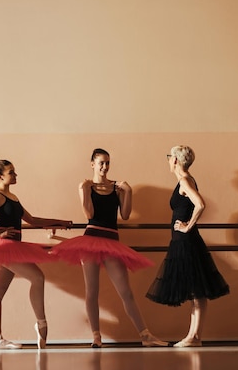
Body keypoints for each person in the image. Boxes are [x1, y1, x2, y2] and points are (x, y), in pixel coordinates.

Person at [50, 148, 168, 348]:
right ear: (92, 164)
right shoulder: (86, 186)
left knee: (126, 292)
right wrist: (84, 190)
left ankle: (145, 336)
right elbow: (89, 213)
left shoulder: (117, 188)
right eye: (101, 163)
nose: (105, 167)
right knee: (91, 291)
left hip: (112, 241)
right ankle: (96, 337)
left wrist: (129, 192)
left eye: (107, 163)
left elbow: (126, 215)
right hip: (91, 240)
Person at [0, 158, 72, 349]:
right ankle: (41, 323)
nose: (15, 175)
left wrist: (59, 222)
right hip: (5, 247)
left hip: (15, 246)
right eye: (11, 172)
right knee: (37, 277)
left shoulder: (13, 197)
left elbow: (31, 220)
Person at [146, 146, 230, 347]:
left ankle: (194, 336)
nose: (168, 161)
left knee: (197, 290)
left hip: (187, 241)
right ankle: (193, 336)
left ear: (175, 160)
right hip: (182, 242)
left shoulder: (184, 181)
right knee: (195, 289)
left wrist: (187, 227)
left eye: (169, 157)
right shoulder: (186, 180)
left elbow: (200, 204)